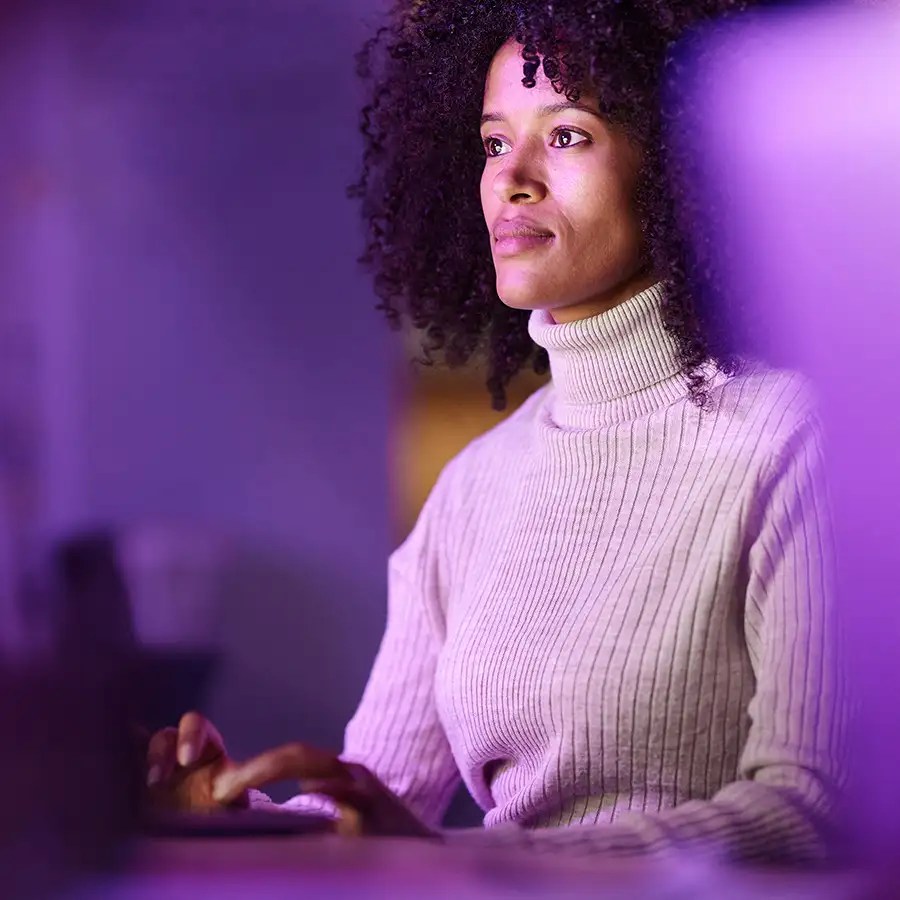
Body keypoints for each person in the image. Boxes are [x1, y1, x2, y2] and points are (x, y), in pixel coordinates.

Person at [146, 0, 845, 863]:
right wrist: (237, 816)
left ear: (676, 163)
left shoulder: (794, 443)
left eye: (567, 136)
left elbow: (811, 812)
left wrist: (486, 863)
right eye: (492, 142)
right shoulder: (475, 486)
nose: (513, 177)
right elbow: (373, 810)